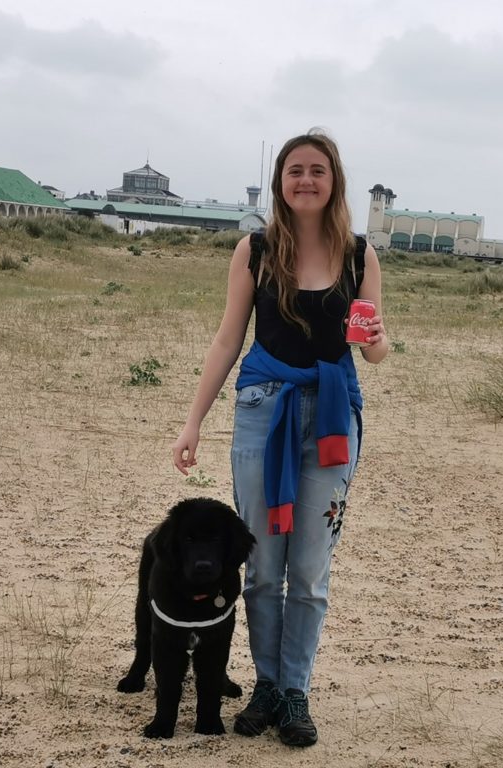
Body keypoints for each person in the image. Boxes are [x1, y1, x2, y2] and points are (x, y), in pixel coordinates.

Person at [171, 130, 388, 747]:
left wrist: (373, 340)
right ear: (280, 181)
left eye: (318, 171)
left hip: (332, 422)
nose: (306, 181)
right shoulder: (256, 250)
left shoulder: (359, 256)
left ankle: (295, 691)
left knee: (311, 569)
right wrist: (193, 422)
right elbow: (226, 340)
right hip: (263, 411)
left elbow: (374, 352)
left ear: (334, 181)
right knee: (263, 566)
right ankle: (266, 684)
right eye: (295, 170)